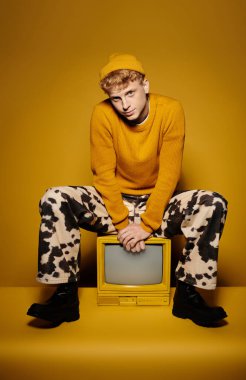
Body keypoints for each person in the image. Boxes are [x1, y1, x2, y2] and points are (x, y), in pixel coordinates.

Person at [27, 53, 228, 327]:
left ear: (145, 85)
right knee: (55, 197)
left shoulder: (171, 110)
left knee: (213, 202)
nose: (124, 105)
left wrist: (147, 224)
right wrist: (122, 222)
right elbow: (103, 174)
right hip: (113, 202)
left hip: (157, 202)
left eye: (130, 93)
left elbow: (170, 175)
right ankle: (64, 297)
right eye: (116, 98)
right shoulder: (102, 114)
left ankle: (188, 295)